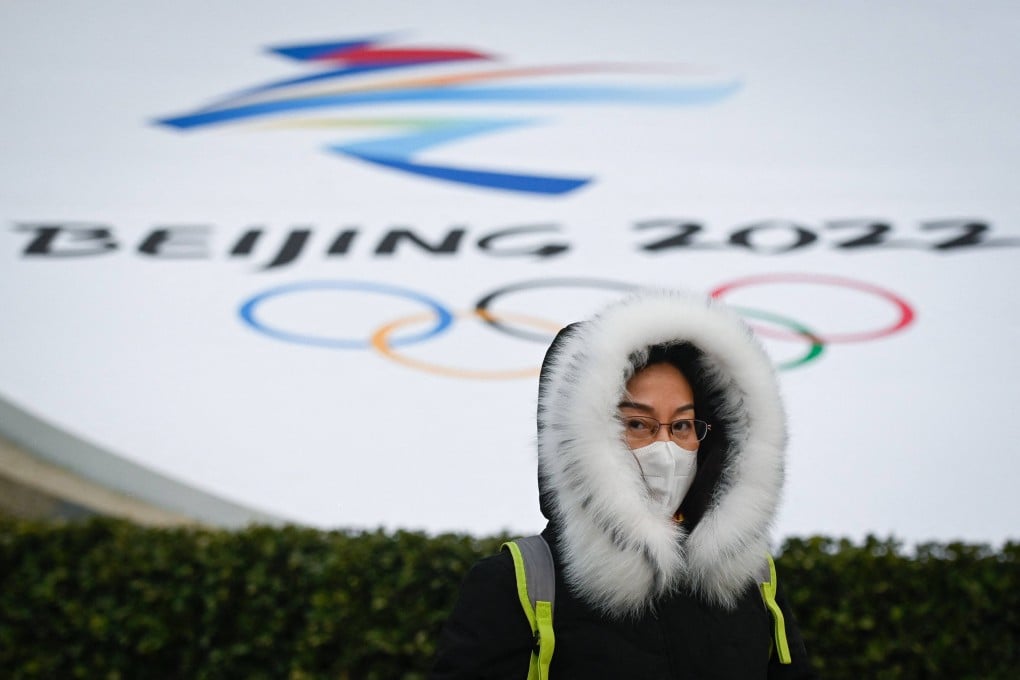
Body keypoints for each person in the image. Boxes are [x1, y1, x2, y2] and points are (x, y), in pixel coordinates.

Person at [431, 288, 817, 678]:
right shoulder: (519, 584)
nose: (665, 447)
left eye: (682, 425)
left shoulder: (752, 578)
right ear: (579, 440)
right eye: (637, 424)